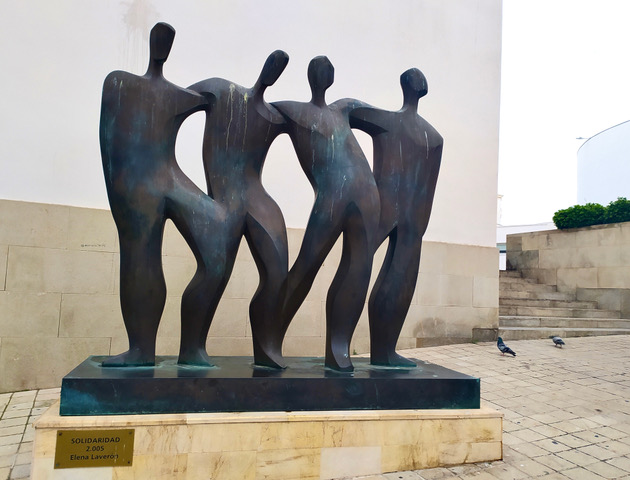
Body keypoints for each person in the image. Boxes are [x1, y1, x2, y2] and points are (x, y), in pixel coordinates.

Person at [100, 22, 228, 367]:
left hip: (170, 177)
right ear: (150, 42)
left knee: (218, 243)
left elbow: (218, 102)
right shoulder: (119, 81)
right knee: (141, 259)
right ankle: (140, 350)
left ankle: (192, 349)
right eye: (158, 38)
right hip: (135, 184)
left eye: (168, 40)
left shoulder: (181, 95)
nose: (162, 45)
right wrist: (118, 194)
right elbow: (107, 138)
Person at [273, 56, 380, 372]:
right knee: (307, 266)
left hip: (366, 195)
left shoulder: (344, 107)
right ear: (311, 77)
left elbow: (388, 122)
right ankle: (269, 337)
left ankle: (338, 348)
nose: (327, 70)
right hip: (332, 195)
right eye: (321, 68)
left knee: (357, 270)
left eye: (330, 67)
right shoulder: (291, 110)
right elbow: (256, 115)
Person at [188, 51, 290, 369]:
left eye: (281, 67)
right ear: (264, 64)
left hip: (258, 198)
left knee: (277, 274)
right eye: (273, 62)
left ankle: (266, 350)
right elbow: (171, 105)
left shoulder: (275, 116)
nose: (274, 71)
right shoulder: (221, 91)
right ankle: (190, 348)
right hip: (225, 197)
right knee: (214, 272)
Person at [349, 68, 443, 367]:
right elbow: (429, 187)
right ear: (421, 88)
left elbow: (347, 110)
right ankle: (379, 351)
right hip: (410, 215)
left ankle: (377, 352)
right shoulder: (433, 136)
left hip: (388, 209)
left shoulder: (389, 122)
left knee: (367, 273)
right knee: (383, 276)